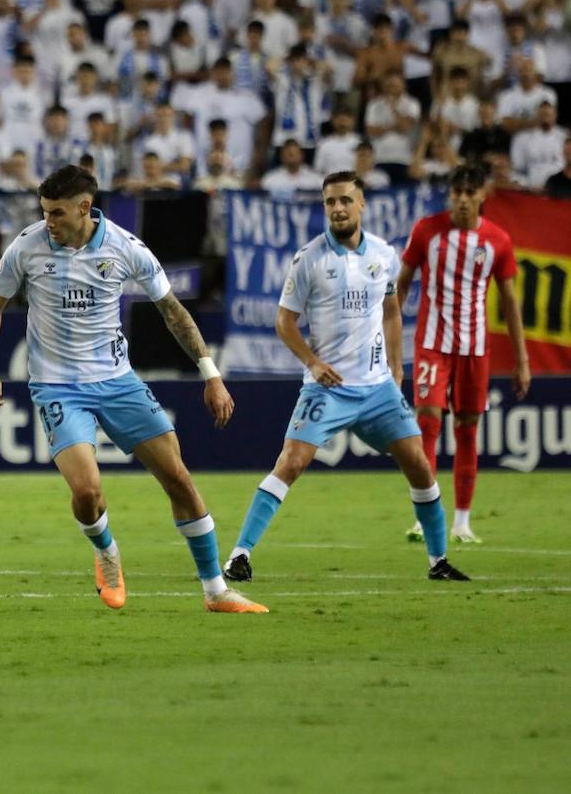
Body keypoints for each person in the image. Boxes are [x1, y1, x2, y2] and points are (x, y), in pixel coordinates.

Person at [0, 165, 268, 615]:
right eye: (44, 211)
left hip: (117, 382)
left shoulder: (126, 248)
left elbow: (173, 312)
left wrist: (210, 373)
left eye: (55, 213)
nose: (47, 221)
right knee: (88, 493)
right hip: (57, 387)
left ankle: (216, 592)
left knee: (178, 479)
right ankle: (106, 552)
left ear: (84, 208)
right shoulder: (27, 247)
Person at [224, 172, 471, 584]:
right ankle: (239, 555)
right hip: (329, 389)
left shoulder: (384, 254)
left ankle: (438, 561)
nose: (337, 208)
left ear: (361, 205)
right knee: (292, 462)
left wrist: (396, 368)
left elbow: (391, 311)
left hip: (377, 389)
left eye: (344, 200)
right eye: (329, 202)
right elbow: (284, 323)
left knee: (420, 465)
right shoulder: (309, 259)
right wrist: (313, 363)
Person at [397, 165, 530, 543]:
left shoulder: (497, 241)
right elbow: (402, 285)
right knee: (426, 423)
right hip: (432, 346)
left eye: (470, 192)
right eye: (457, 191)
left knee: (468, 430)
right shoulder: (427, 230)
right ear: (450, 194)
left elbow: (509, 302)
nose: (463, 199)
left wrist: (521, 361)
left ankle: (462, 522)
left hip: (474, 348)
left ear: (482, 195)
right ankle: (425, 518)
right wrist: (385, 338)